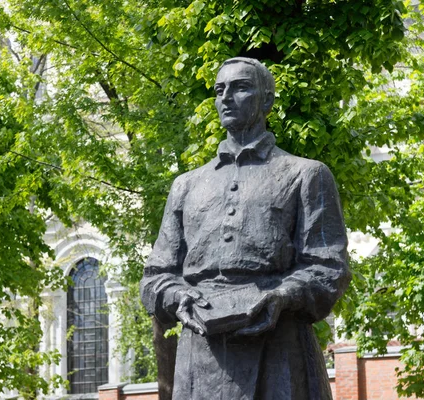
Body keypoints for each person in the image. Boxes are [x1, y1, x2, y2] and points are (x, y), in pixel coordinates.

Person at [140, 57, 350, 400]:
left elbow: (329, 268)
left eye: (240, 88)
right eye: (220, 90)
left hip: (279, 350)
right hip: (201, 356)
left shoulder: (307, 174)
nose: (226, 98)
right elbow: (155, 277)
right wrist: (179, 296)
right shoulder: (186, 185)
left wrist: (281, 296)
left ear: (267, 100)